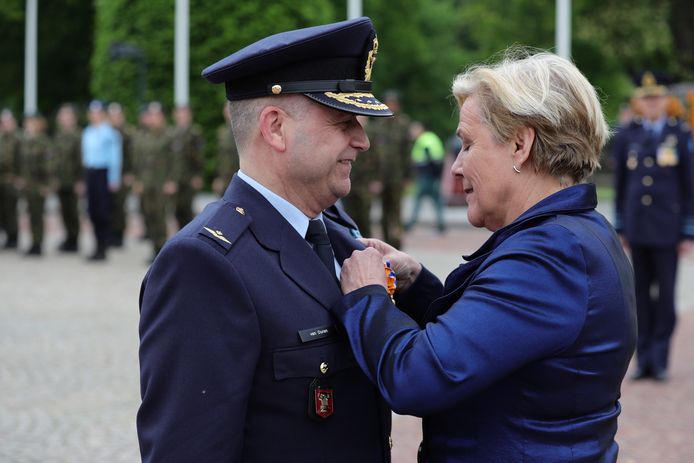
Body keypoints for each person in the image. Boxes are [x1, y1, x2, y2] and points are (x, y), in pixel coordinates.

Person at [333, 50, 637, 462]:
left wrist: (366, 296)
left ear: (519, 144)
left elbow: (417, 378)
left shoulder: (550, 254)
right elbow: (499, 342)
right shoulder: (574, 232)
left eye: (468, 144)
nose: (456, 166)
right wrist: (418, 286)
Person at [137, 17, 395, 463]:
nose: (363, 140)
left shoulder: (335, 232)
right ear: (274, 128)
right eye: (343, 122)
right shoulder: (205, 264)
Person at [612, 72, 694, 382]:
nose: (652, 104)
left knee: (666, 298)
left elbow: (689, 186)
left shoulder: (680, 134)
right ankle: (643, 358)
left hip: (668, 230)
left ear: (665, 101)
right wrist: (620, 227)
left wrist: (688, 231)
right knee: (640, 298)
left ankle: (660, 359)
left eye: (656, 98)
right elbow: (621, 186)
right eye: (646, 99)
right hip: (637, 228)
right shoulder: (628, 134)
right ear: (638, 103)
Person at [133, 101, 176, 261]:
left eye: (156, 115)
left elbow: (174, 160)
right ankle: (154, 248)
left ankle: (161, 250)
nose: (153, 119)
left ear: (162, 117)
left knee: (160, 216)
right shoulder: (144, 136)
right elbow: (139, 162)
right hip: (146, 183)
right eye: (151, 115)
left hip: (161, 183)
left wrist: (171, 180)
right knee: (149, 215)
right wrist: (137, 180)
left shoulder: (169, 135)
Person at [367, 90, 411, 248]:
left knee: (396, 212)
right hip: (381, 177)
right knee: (384, 213)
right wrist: (374, 177)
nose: (391, 106)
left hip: (397, 176)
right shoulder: (378, 125)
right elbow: (373, 156)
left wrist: (408, 176)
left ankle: (397, 244)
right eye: (388, 103)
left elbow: (407, 153)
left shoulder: (404, 125)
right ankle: (387, 244)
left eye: (394, 103)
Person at [82, 100, 122, 261]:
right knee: (91, 211)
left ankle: (102, 248)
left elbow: (115, 158)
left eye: (98, 113)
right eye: (92, 113)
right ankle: (96, 244)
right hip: (90, 173)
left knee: (102, 212)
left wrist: (113, 179)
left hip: (102, 174)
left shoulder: (110, 133)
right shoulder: (87, 132)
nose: (95, 116)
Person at [18, 113, 51, 256]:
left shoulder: (44, 141)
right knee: (30, 214)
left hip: (39, 185)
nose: (29, 126)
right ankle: (33, 242)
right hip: (27, 185)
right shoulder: (25, 141)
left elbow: (49, 165)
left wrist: (47, 184)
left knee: (38, 214)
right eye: (27, 123)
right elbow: (21, 164)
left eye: (32, 123)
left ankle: (38, 244)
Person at [51, 103, 82, 252]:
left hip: (73, 180)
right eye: (61, 115)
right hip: (61, 179)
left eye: (66, 115)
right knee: (63, 210)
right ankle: (68, 238)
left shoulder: (78, 136)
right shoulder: (58, 136)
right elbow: (54, 160)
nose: (63, 118)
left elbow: (81, 160)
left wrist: (80, 180)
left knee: (73, 210)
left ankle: (75, 240)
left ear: (74, 118)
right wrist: (54, 178)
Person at [404, 121, 446, 232]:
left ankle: (411, 223)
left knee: (418, 198)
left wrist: (432, 175)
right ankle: (441, 223)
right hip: (432, 174)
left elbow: (431, 157)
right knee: (436, 200)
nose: (412, 133)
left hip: (427, 175)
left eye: (413, 130)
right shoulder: (430, 137)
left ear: (419, 129)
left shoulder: (424, 140)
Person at [342, 115, 379, 237]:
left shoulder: (372, 134)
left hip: (365, 183)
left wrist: (375, 180)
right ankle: (351, 240)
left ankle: (366, 242)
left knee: (364, 217)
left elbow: (377, 159)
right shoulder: (347, 133)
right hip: (350, 180)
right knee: (349, 215)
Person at [170, 104, 204, 227]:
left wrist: (197, 175)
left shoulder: (194, 133)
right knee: (176, 209)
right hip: (175, 177)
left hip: (189, 177)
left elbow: (199, 157)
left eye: (185, 114)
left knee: (187, 208)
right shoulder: (171, 134)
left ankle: (188, 235)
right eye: (180, 114)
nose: (182, 117)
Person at [108, 102, 135, 248]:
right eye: (112, 116)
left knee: (120, 206)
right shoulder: (106, 132)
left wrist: (130, 173)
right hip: (109, 175)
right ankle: (110, 233)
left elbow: (132, 155)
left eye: (117, 116)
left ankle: (119, 234)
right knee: (109, 205)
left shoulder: (127, 133)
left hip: (123, 174)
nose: (115, 119)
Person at [0, 109, 21, 249]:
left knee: (11, 210)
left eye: (8, 122)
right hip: (1, 180)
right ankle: (7, 236)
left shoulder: (18, 139)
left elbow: (21, 161)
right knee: (2, 211)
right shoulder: (2, 138)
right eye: (3, 122)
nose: (5, 124)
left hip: (11, 179)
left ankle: (13, 238)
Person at [212, 102, 239, 195]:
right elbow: (220, 157)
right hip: (224, 179)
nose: (227, 112)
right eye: (226, 109)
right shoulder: (222, 132)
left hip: (237, 178)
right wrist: (218, 177)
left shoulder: (241, 131)